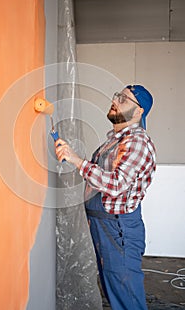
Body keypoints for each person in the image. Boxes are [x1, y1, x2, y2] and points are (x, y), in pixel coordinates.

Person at [55, 85, 156, 310]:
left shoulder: (137, 142)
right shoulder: (115, 140)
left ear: (139, 112)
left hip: (119, 229)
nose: (116, 100)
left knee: (126, 298)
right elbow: (99, 178)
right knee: (115, 293)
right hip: (104, 225)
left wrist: (77, 160)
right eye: (117, 95)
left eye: (124, 99)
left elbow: (117, 184)